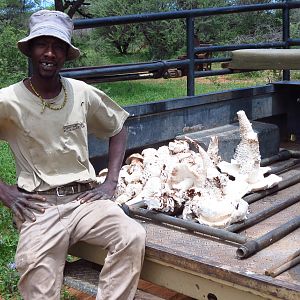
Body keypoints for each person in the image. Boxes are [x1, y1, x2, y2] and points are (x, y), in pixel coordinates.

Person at [0, 9, 146, 300]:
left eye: (58, 46)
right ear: (30, 49)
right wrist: (3, 191)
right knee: (38, 288)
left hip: (85, 202)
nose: (49, 53)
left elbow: (118, 127)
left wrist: (111, 182)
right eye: (42, 44)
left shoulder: (81, 93)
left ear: (66, 53)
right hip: (40, 207)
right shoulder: (8, 100)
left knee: (132, 236)